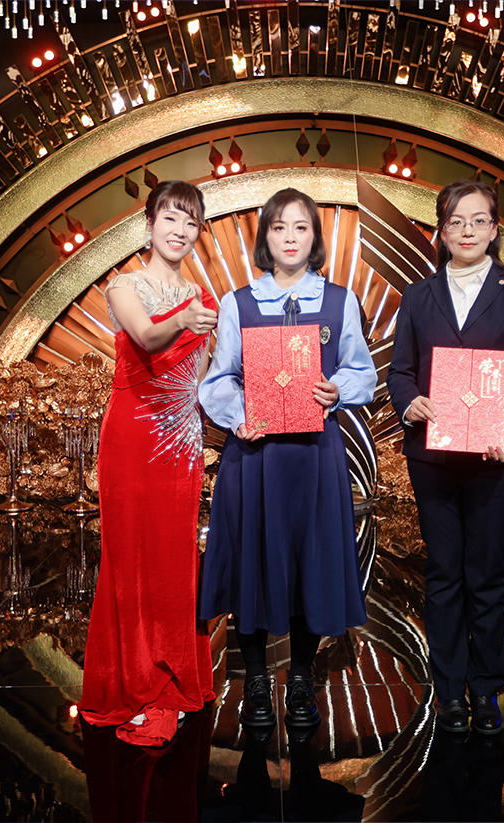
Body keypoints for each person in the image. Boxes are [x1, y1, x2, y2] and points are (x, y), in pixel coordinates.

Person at [198, 188, 377, 729]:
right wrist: (239, 415)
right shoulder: (238, 303)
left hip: (315, 455)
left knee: (309, 565)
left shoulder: (340, 301)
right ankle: (255, 678)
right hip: (255, 455)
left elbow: (362, 372)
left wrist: (337, 390)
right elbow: (218, 380)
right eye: (279, 228)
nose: (290, 238)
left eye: (301, 227)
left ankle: (301, 675)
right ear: (266, 238)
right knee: (252, 561)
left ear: (315, 237)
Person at [387, 179, 504, 735]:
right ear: (440, 231)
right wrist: (409, 402)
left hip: (496, 455)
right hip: (432, 456)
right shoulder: (418, 296)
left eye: (478, 221)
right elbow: (400, 372)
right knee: (442, 573)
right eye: (456, 221)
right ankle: (449, 690)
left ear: (495, 229)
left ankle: (485, 690)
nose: (467, 231)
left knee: (486, 572)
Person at [79, 180, 220, 747]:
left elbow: (200, 380)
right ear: (149, 225)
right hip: (132, 437)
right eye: (170, 217)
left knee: (174, 558)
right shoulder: (124, 286)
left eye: (190, 221)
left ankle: (170, 682)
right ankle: (133, 685)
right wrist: (185, 320)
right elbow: (145, 335)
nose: (180, 230)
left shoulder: (204, 302)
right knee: (129, 558)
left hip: (181, 440)